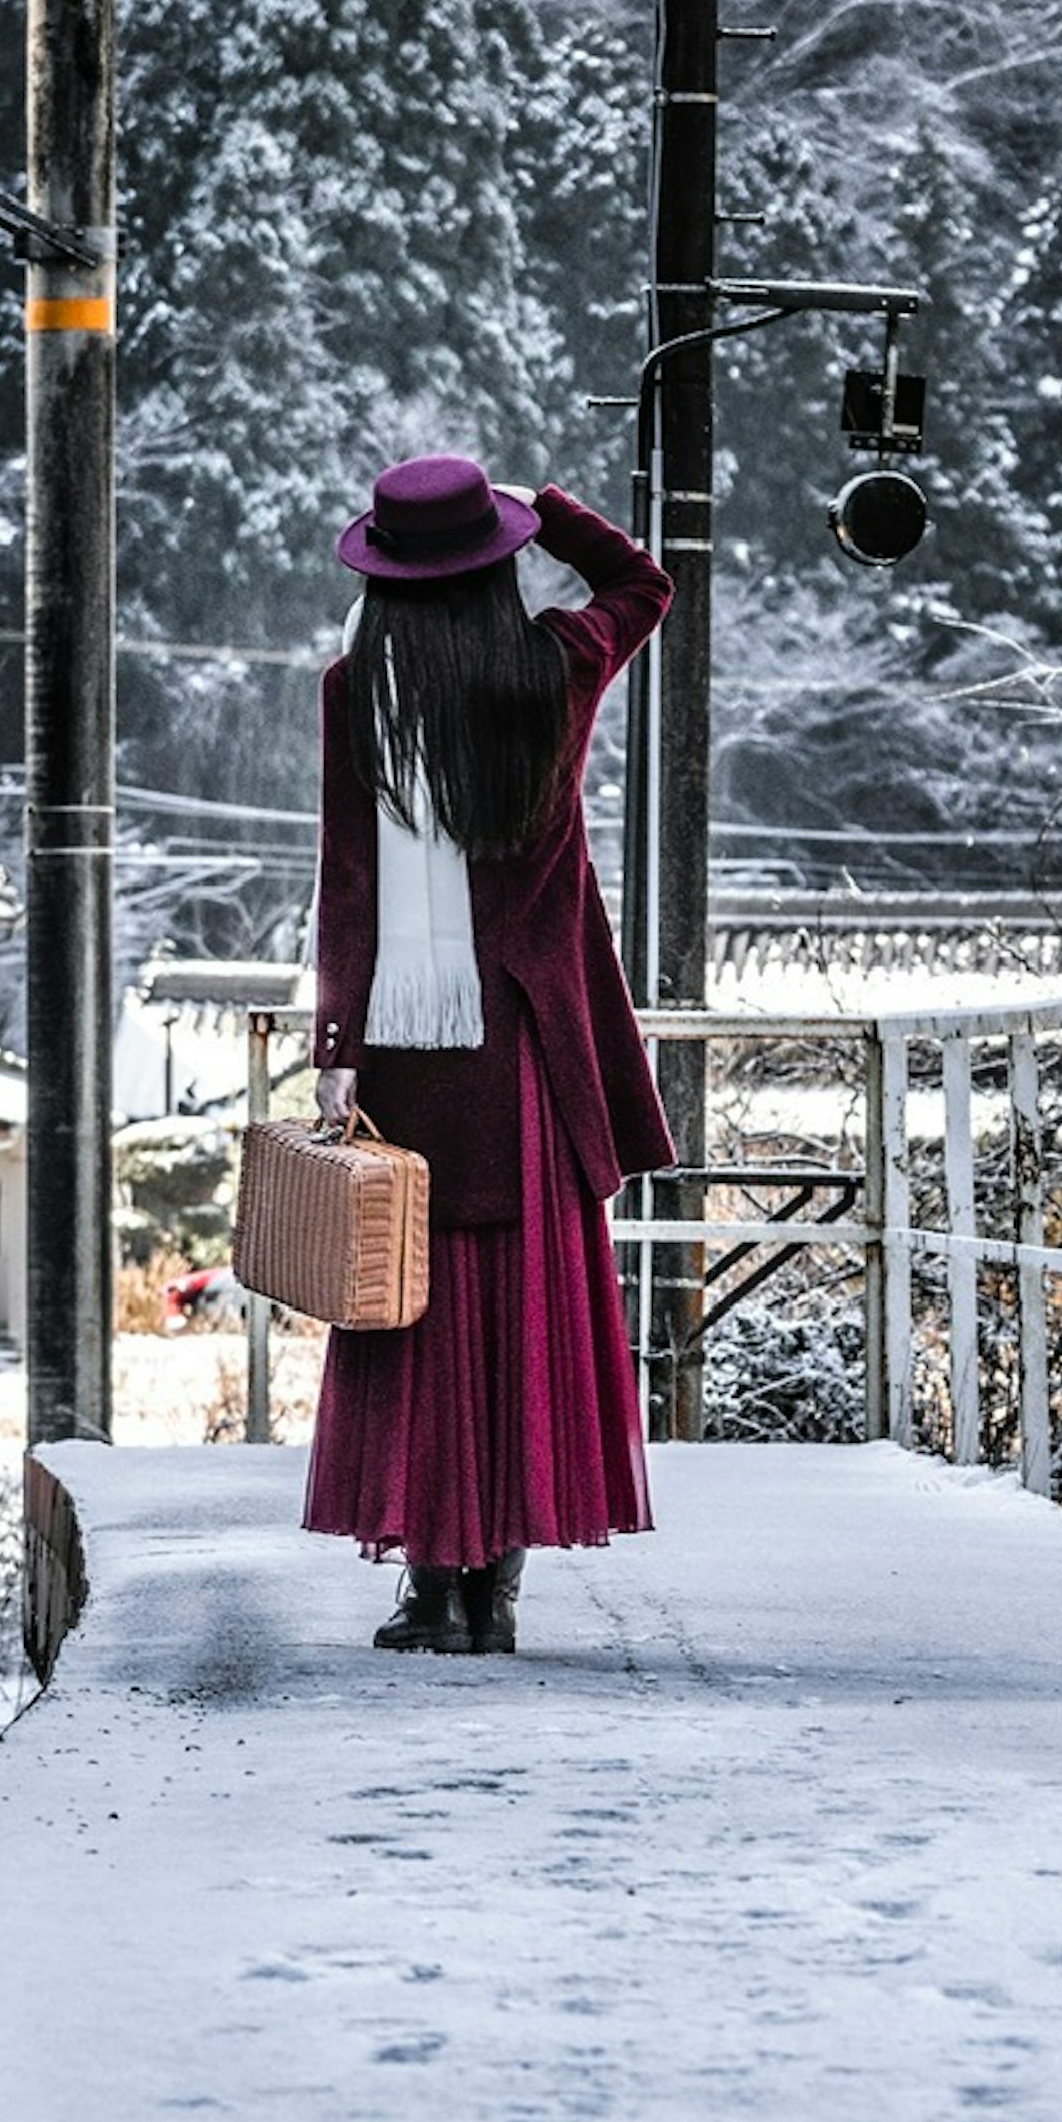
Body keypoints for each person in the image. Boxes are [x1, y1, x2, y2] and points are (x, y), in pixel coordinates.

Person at [303, 453, 672, 1655]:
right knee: (521, 1308)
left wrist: (337, 1044)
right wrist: (546, 500)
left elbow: (345, 881)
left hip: (409, 1050)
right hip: (527, 1046)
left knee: (404, 1305)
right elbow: (643, 581)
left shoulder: (355, 691)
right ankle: (495, 1596)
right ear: (498, 561)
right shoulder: (557, 666)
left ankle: (427, 1591)